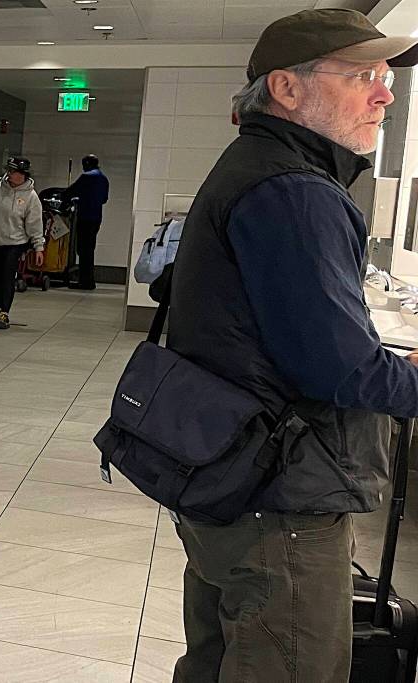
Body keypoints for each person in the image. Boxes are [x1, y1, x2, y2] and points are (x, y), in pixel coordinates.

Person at [167, 9, 418, 681]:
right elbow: (338, 368)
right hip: (278, 503)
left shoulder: (254, 166)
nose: (385, 94)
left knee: (218, 660)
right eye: (364, 75)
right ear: (286, 88)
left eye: (386, 78)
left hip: (227, 477)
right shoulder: (295, 190)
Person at [0, 156, 44, 330]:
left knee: (6, 276)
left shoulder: (31, 196)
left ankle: (5, 312)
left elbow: (35, 223)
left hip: (14, 242)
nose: (9, 174)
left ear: (23, 175)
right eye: (9, 171)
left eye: (13, 171)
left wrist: (38, 246)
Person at [61, 154, 109, 290]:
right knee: (89, 249)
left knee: (83, 250)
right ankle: (89, 280)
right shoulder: (103, 178)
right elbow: (104, 199)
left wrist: (69, 197)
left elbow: (70, 192)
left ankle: (85, 282)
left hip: (85, 217)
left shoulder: (87, 177)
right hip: (96, 218)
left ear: (86, 164)